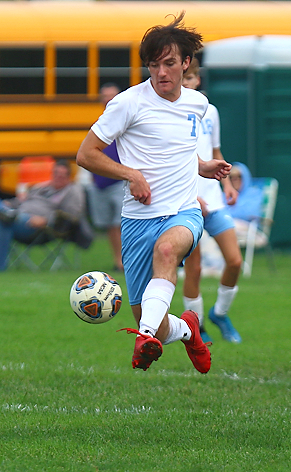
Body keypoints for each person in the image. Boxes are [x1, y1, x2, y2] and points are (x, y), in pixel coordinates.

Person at [76, 12, 231, 374]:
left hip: (182, 211)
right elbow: (86, 155)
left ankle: (143, 337)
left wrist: (201, 165)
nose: (161, 72)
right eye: (153, 65)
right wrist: (130, 173)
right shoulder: (128, 103)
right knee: (155, 317)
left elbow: (177, 149)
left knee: (166, 252)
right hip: (136, 220)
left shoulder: (198, 104)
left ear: (186, 63)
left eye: (169, 64)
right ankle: (186, 330)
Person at [181, 58, 243, 344]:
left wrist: (226, 183)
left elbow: (215, 150)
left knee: (234, 261)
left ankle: (219, 313)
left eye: (190, 78)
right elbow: (174, 161)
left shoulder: (211, 112)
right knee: (193, 268)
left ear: (198, 81)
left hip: (214, 201)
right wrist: (191, 195)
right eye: (182, 79)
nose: (186, 84)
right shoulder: (171, 113)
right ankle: (198, 328)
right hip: (186, 203)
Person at [0, 160, 85, 271]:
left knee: (5, 223)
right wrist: (10, 203)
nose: (58, 177)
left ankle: (9, 215)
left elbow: (72, 216)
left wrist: (47, 220)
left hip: (37, 227)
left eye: (62, 175)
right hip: (18, 215)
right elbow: (22, 200)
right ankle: (8, 213)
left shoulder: (72, 191)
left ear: (68, 176)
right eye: (56, 174)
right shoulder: (42, 187)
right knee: (4, 217)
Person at [87, 82, 125, 272]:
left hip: (120, 182)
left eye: (112, 95)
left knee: (121, 223)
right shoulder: (98, 123)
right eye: (105, 96)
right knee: (110, 225)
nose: (108, 99)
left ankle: (127, 260)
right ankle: (118, 260)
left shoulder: (125, 120)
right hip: (99, 183)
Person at [227, 162, 268, 248]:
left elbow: (250, 213)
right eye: (231, 177)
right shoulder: (224, 195)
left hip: (249, 230)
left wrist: (228, 214)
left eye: (239, 176)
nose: (235, 179)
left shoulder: (255, 194)